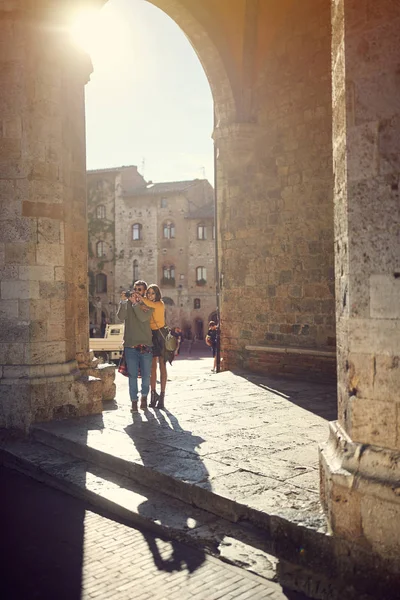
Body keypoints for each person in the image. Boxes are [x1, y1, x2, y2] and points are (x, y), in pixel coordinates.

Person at [117, 280, 154, 412]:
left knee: (146, 375)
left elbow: (143, 318)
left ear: (144, 291)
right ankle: (134, 401)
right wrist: (122, 302)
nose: (137, 291)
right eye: (135, 289)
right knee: (132, 376)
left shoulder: (148, 304)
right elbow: (121, 317)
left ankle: (144, 398)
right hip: (130, 346)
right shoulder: (127, 303)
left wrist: (135, 304)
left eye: (140, 289)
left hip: (146, 345)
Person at [137, 284, 171, 410]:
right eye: (149, 293)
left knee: (162, 366)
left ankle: (162, 397)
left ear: (157, 295)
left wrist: (138, 296)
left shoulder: (159, 304)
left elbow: (146, 303)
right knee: (152, 368)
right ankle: (153, 394)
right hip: (150, 336)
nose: (151, 295)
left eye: (153, 293)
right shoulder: (146, 305)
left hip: (161, 336)